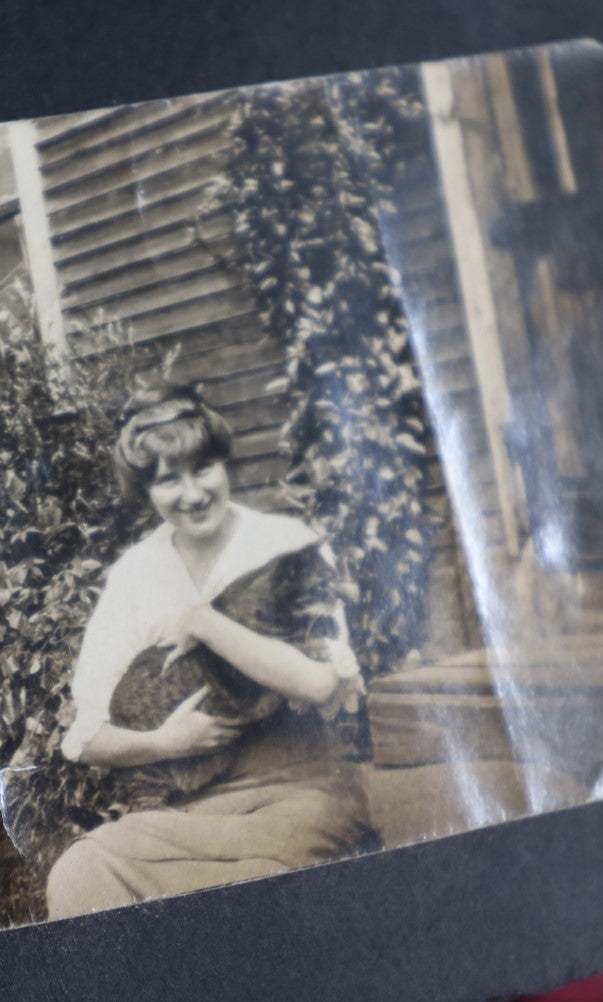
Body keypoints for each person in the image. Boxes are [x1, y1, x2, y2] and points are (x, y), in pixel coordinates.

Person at [45, 383, 378, 919]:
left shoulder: (285, 543)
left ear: (225, 464)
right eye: (168, 479)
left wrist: (204, 621)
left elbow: (320, 683)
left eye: (202, 469)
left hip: (297, 794)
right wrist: (163, 743)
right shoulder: (136, 574)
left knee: (252, 898)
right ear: (147, 492)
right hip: (186, 808)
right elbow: (83, 739)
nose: (192, 493)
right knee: (80, 874)